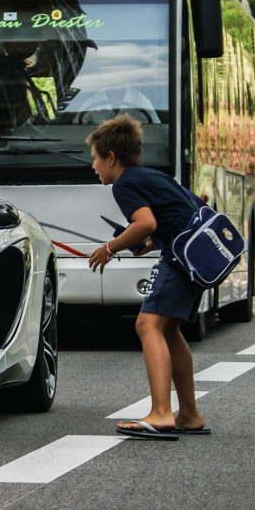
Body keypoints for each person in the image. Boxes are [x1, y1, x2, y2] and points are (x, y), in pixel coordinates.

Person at [86, 115, 208, 440]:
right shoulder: (153, 176)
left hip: (180, 259)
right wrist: (148, 244)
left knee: (146, 324)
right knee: (168, 329)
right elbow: (175, 216)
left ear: (111, 157)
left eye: (96, 158)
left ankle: (161, 413)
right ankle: (189, 414)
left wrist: (109, 248)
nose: (93, 164)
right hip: (198, 256)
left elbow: (146, 223)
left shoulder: (124, 183)